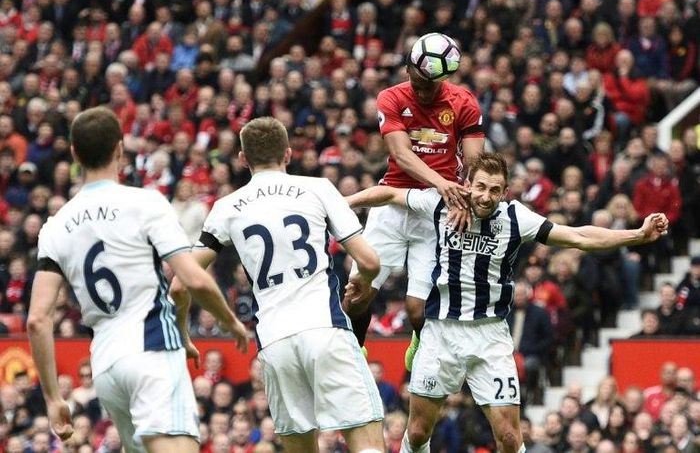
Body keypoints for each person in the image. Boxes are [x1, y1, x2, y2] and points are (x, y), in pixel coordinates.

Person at [346, 152, 669, 453]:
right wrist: (344, 203)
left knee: (511, 438)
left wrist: (636, 235)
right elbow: (389, 194)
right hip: (440, 332)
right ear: (468, 183)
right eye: (481, 187)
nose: (486, 196)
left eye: (495, 190)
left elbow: (578, 236)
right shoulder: (442, 202)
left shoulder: (516, 218)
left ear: (506, 191)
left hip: (491, 338)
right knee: (417, 432)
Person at [27, 107, 249, 453]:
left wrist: (53, 397)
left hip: (105, 366)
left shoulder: (56, 225)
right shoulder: (145, 203)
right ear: (119, 149)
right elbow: (194, 278)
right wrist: (231, 322)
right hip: (151, 350)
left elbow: (37, 320)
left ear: (74, 154)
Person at [171, 117, 385, 453]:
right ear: (288, 154)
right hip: (324, 328)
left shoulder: (226, 207)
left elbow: (180, 287)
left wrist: (183, 332)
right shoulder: (318, 189)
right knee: (366, 442)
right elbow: (370, 262)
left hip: (274, 341)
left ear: (243, 158)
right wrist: (365, 282)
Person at [349, 32, 484, 363]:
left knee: (416, 310)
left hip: (438, 211)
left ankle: (420, 342)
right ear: (409, 67)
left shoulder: (463, 102)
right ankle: (356, 352)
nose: (425, 92)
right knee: (356, 294)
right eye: (421, 83)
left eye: (433, 86)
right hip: (393, 201)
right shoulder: (391, 98)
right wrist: (441, 183)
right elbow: (401, 153)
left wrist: (466, 189)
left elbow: (474, 160)